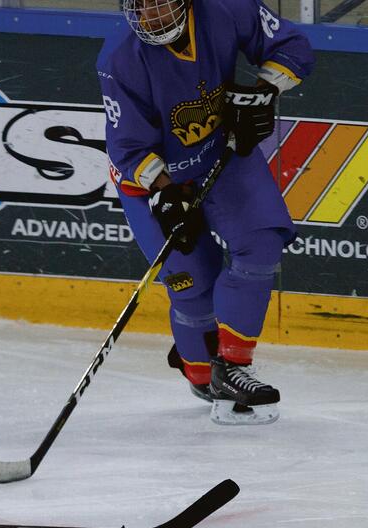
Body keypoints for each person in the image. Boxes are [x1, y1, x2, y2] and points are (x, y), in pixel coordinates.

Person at [97, 0, 314, 424]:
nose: (150, 17)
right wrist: (164, 194)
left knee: (260, 240)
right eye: (139, 7)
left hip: (220, 153)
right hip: (152, 179)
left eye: (159, 4)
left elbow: (291, 45)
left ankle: (232, 365)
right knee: (192, 283)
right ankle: (199, 368)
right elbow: (127, 148)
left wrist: (263, 93)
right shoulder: (119, 57)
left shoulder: (227, 8)